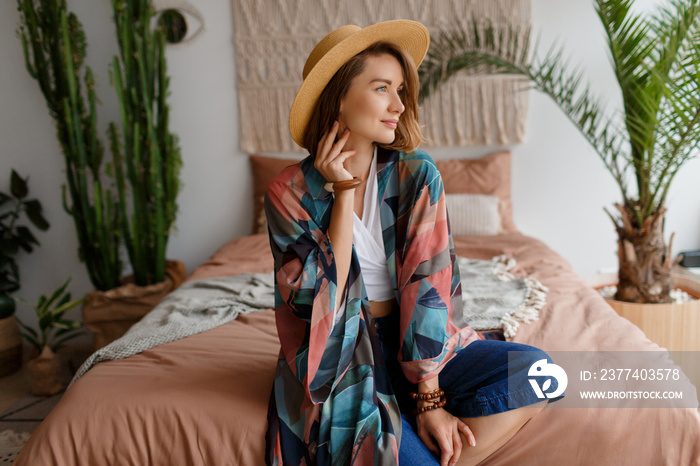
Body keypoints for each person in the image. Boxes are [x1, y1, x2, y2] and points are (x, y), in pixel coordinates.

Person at [263, 20, 560, 466]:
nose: (399, 105)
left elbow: (430, 284)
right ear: (338, 98)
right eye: (382, 88)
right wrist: (342, 193)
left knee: (545, 375)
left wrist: (430, 399)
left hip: (418, 340)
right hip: (345, 352)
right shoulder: (288, 193)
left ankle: (412, 423)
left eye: (401, 90)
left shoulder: (416, 173)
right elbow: (317, 301)